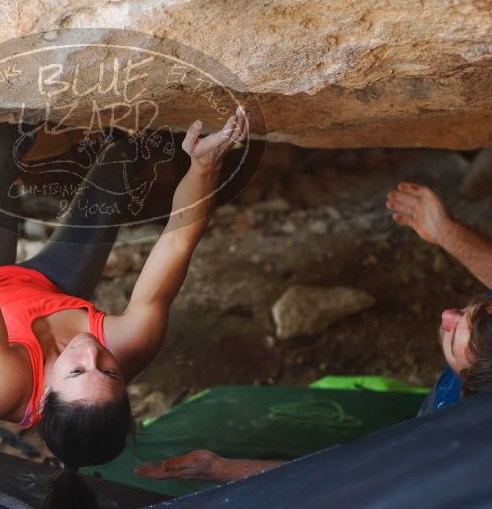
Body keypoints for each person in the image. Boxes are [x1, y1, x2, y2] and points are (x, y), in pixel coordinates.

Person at [0, 90, 248, 506]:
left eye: (77, 372)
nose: (91, 353)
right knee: (118, 174)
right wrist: (204, 166)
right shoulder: (129, 346)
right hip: (50, 289)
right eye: (111, 374)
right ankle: (122, 139)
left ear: (45, 397)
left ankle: (13, 129)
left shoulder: (2, 386)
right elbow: (177, 245)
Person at [134, 181, 492, 484]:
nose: (445, 314)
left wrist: (219, 468)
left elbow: (348, 481)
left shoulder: (447, 448)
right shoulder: (484, 354)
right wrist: (446, 231)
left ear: (469, 390)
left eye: (452, 334)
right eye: (467, 310)